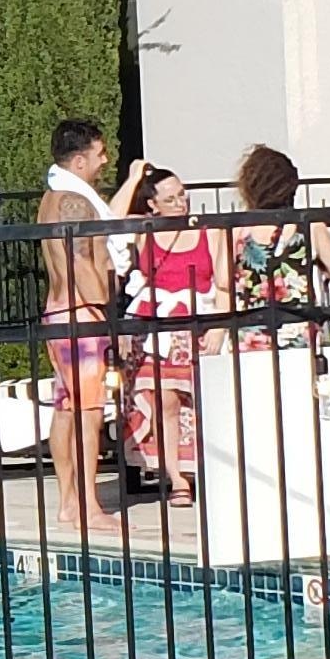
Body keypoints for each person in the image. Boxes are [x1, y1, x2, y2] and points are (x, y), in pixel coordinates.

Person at [37, 118, 144, 536]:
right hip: (81, 314)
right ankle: (89, 506)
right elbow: (81, 261)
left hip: (58, 312)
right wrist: (105, 296)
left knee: (66, 408)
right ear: (79, 160)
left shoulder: (53, 198)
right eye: (100, 154)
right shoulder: (74, 204)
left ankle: (68, 502)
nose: (105, 161)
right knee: (88, 412)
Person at [121, 166, 214, 504]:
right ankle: (178, 478)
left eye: (182, 194)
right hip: (158, 330)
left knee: (207, 403)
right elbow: (110, 225)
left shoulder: (207, 230)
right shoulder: (144, 233)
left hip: (197, 324)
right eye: (171, 198)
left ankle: (205, 470)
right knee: (165, 402)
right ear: (153, 205)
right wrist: (133, 180)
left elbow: (222, 280)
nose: (181, 203)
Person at [227, 142, 330, 345]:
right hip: (299, 327)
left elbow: (224, 279)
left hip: (251, 331)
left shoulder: (238, 230)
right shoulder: (309, 226)